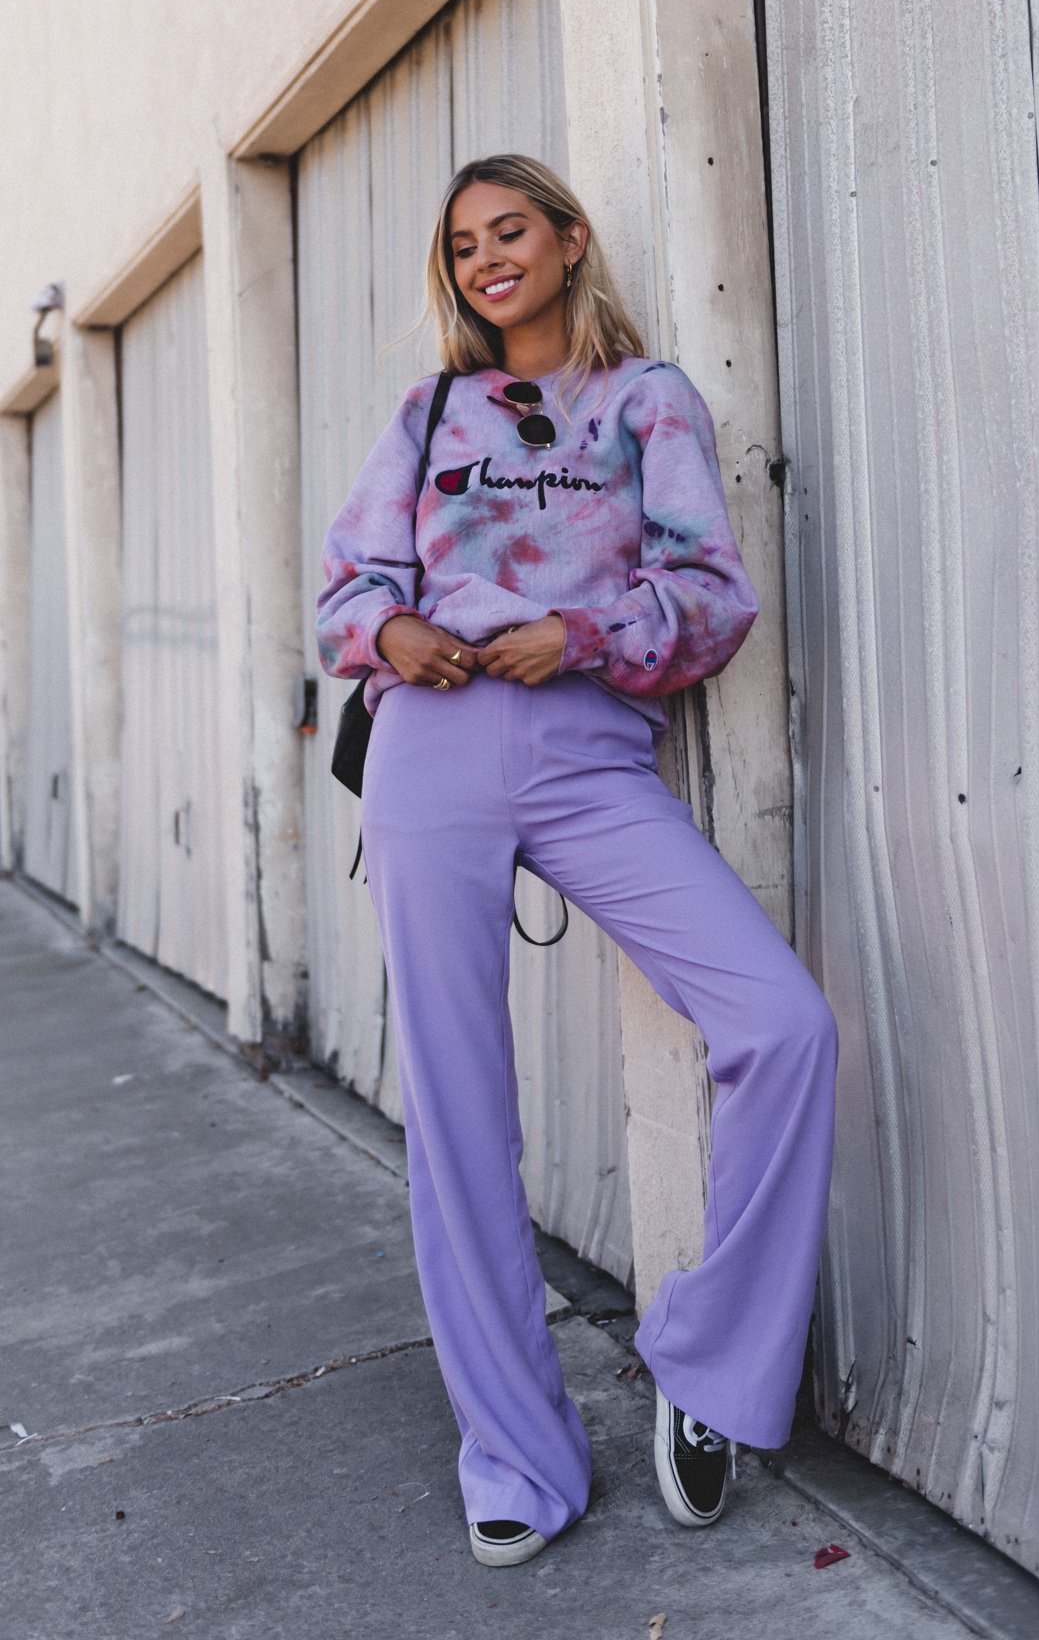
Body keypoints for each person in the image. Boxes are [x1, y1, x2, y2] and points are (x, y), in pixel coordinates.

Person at [315, 153, 838, 1569]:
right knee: (459, 1112)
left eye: (510, 232)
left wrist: (584, 635)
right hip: (430, 752)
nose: (488, 259)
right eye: (463, 245)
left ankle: (710, 1366)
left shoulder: (646, 401)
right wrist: (393, 631)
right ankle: (514, 1451)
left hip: (590, 751)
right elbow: (349, 589)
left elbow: (712, 595)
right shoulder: (428, 414)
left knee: (784, 1025)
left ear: (567, 240)